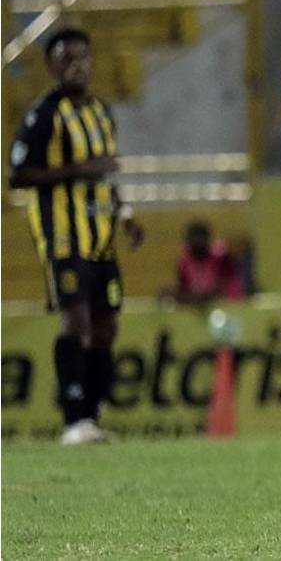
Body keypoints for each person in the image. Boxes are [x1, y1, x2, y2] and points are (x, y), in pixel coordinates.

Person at [8, 27, 144, 445]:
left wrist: (125, 214)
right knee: (77, 319)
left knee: (106, 326)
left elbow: (106, 174)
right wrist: (78, 170)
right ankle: (71, 420)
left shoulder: (102, 112)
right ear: (52, 65)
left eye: (83, 57)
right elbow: (19, 175)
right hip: (63, 235)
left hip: (100, 236)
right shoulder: (42, 115)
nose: (77, 65)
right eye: (67, 59)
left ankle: (91, 415)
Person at [165, 220, 247, 307]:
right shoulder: (184, 262)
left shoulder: (221, 257)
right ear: (187, 240)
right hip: (199, 309)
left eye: (201, 237)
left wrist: (202, 296)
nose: (197, 241)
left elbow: (227, 287)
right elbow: (184, 289)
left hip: (229, 306)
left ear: (208, 238)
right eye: (194, 238)